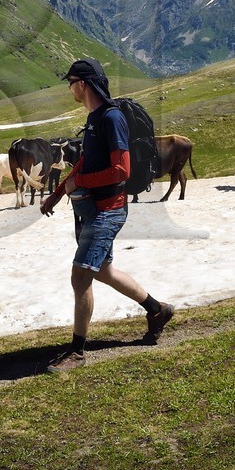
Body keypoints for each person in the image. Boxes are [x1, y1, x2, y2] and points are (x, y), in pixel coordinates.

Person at [39, 58, 174, 371]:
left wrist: (79, 182)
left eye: (70, 82)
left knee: (81, 274)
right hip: (94, 208)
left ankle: (77, 352)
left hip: (107, 211)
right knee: (103, 270)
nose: (69, 88)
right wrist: (58, 194)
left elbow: (121, 170)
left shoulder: (111, 118)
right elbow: (86, 163)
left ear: (82, 84)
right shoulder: (95, 117)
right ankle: (157, 310)